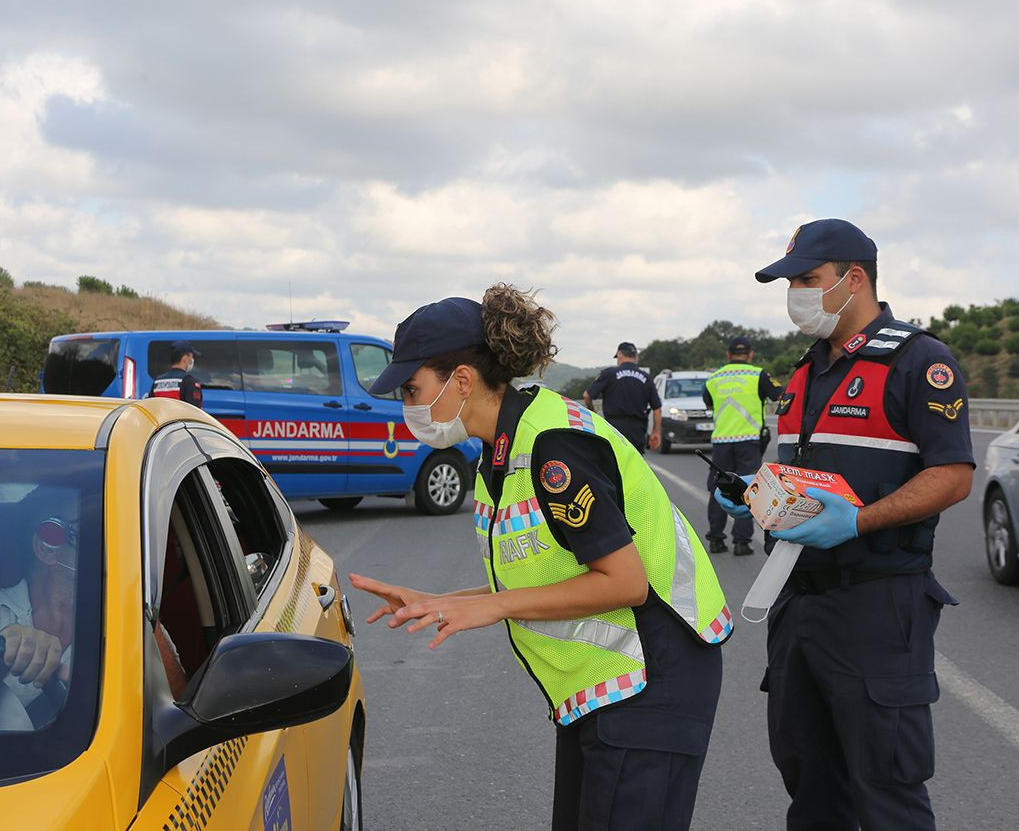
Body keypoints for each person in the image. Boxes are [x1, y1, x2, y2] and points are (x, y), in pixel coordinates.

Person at [350, 285, 733, 831]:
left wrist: (492, 608)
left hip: (655, 675)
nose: (407, 405)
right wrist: (442, 601)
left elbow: (626, 583)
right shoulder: (500, 450)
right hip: (605, 689)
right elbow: (544, 573)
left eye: (413, 388)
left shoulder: (554, 447)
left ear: (462, 380)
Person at [714, 218, 972, 830]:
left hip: (877, 605)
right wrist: (757, 497)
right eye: (790, 282)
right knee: (810, 783)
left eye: (808, 279)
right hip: (798, 607)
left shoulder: (918, 361)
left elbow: (953, 475)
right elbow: (805, 478)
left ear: (854, 279)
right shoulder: (806, 371)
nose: (795, 294)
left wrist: (858, 522)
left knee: (887, 790)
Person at [0, 487, 188, 711]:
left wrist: (139, 611)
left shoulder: (125, 618)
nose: (108, 540)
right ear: (47, 546)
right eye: (92, 530)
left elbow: (177, 706)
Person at [701, 335, 784, 556]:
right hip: (749, 441)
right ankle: (741, 542)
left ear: (728, 355)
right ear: (750, 354)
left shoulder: (714, 378)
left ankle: (716, 540)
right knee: (748, 490)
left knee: (719, 488)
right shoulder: (758, 375)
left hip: (721, 442)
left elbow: (708, 403)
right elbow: (782, 397)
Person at [582, 342, 661, 454]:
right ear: (635, 357)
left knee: (614, 461)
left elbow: (587, 395)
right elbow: (657, 408)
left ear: (620, 354)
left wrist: (593, 413)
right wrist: (655, 432)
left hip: (614, 426)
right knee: (634, 463)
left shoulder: (609, 374)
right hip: (637, 429)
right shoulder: (646, 377)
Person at [148, 339, 203, 407]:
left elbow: (151, 407)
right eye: (191, 357)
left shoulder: (157, 381)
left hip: (162, 417)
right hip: (180, 417)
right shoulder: (189, 381)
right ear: (185, 358)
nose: (192, 360)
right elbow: (194, 411)